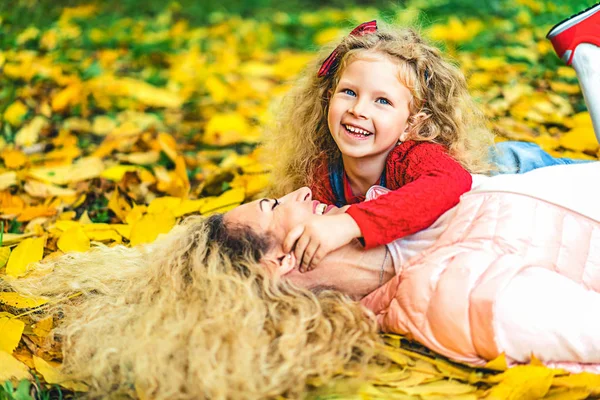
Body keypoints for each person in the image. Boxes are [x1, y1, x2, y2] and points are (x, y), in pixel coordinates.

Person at [262, 22, 493, 271]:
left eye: (382, 100)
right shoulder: (324, 173)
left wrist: (350, 223)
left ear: (411, 124)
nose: (358, 110)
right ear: (328, 98)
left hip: (512, 166)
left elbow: (451, 182)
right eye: (349, 92)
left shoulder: (414, 156)